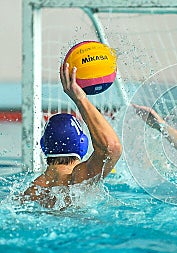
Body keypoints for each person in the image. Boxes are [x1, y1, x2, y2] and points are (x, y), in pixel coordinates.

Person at [22, 63, 122, 208]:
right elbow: (112, 147)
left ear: (43, 145)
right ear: (84, 144)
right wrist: (80, 99)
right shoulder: (79, 179)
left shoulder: (31, 192)